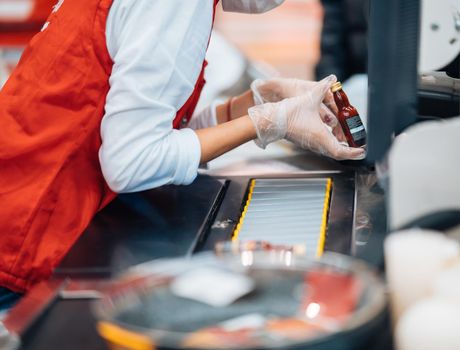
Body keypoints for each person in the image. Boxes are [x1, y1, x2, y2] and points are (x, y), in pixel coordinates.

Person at [0, 0, 365, 310]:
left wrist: (252, 104)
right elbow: (133, 163)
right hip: (22, 239)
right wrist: (268, 122)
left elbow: (144, 130)